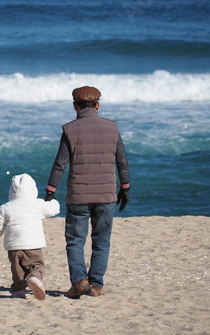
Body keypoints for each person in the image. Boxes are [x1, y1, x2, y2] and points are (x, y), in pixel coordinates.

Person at [45, 85, 130, 299]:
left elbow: (60, 164)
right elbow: (122, 160)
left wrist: (50, 190)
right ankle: (96, 285)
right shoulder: (112, 128)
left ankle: (79, 282)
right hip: (106, 196)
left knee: (75, 241)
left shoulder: (70, 129)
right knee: (101, 240)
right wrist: (125, 188)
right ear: (98, 105)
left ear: (75, 106)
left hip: (78, 197)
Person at [0, 173, 60, 300]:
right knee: (36, 265)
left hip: (13, 246)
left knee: (17, 270)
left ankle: (19, 290)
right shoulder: (37, 204)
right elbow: (54, 210)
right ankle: (34, 278)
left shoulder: (5, 208)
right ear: (33, 190)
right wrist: (52, 199)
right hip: (33, 244)